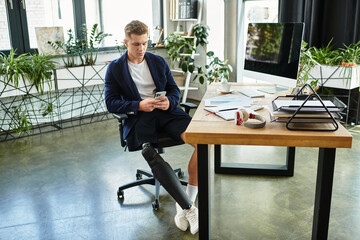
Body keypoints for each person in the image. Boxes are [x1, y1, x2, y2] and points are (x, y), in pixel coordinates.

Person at [104, 20, 199, 234]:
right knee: (149, 151)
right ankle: (190, 209)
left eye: (145, 43)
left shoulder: (158, 62)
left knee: (203, 143)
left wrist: (170, 101)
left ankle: (185, 204)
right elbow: (111, 103)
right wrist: (138, 105)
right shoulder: (115, 69)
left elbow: (173, 90)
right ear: (126, 42)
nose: (141, 49)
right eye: (136, 44)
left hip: (166, 112)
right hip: (139, 117)